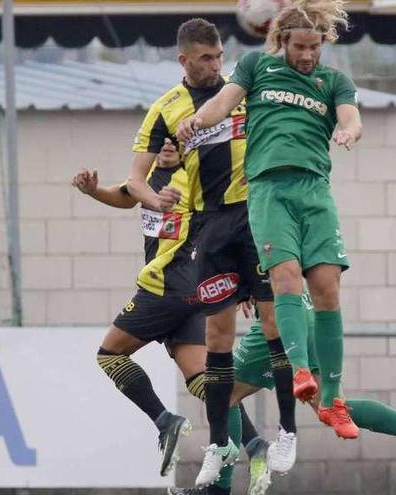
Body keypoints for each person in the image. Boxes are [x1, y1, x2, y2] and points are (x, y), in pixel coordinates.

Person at [177, 0, 362, 446]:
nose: (307, 56)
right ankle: (299, 370)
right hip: (268, 191)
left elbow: (351, 115)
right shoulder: (257, 66)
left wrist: (350, 130)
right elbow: (221, 104)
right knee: (285, 278)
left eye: (314, 48)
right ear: (283, 41)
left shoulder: (333, 80)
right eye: (300, 47)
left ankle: (334, 398)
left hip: (314, 191)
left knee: (328, 290)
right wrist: (196, 120)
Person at [124, 18, 298, 488]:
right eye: (206, 58)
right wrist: (150, 195)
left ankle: (279, 435)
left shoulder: (241, 90)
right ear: (184, 60)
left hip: (256, 220)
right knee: (215, 349)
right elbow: (133, 182)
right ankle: (232, 447)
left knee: (273, 329)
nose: (216, 65)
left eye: (220, 55)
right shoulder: (165, 111)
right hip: (212, 234)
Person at [72, 141, 270, 495]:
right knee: (205, 384)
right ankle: (255, 447)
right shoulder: (147, 174)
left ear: (189, 144)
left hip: (167, 286)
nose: (165, 144)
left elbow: (234, 223)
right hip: (191, 293)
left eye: (173, 140)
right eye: (161, 137)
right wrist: (93, 191)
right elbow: (126, 194)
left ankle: (165, 421)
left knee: (110, 354)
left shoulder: (200, 175)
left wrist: (245, 282)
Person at [170, 292, 396, 494]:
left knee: (224, 395)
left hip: (280, 321)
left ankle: (219, 489)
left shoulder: (245, 218)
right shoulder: (276, 219)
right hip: (308, 315)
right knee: (332, 407)